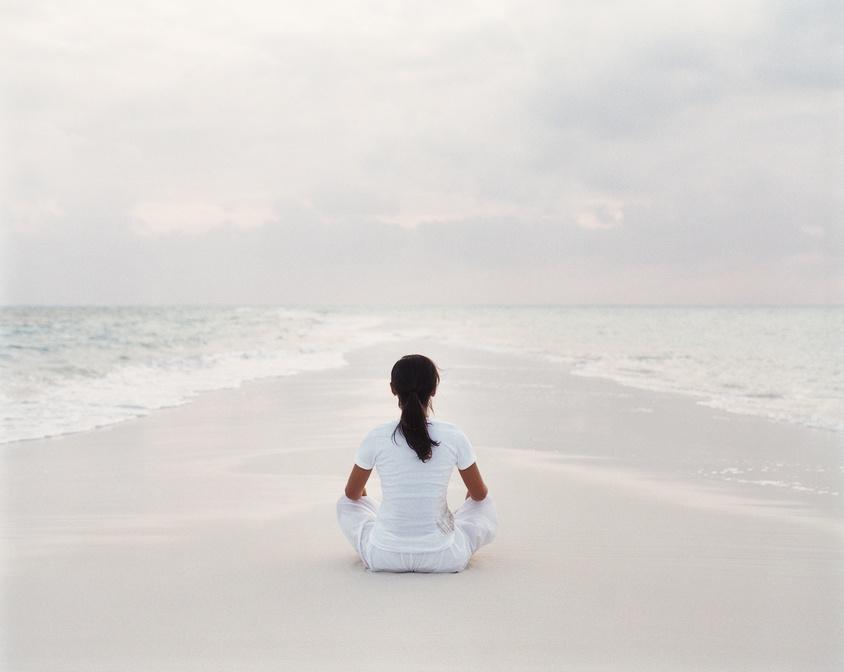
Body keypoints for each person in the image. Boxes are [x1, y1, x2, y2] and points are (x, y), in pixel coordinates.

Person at [336, 354, 497, 573]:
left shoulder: (376, 436)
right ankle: (447, 524)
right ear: (434, 390)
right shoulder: (454, 435)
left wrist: (363, 491)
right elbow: (479, 495)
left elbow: (352, 494)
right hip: (443, 557)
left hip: (383, 556)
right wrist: (468, 503)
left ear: (393, 389)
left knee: (346, 504)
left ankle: (391, 526)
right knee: (483, 503)